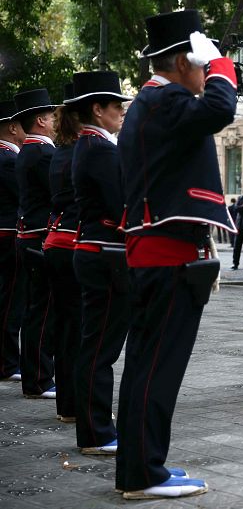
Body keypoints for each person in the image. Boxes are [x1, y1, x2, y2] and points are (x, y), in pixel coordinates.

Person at [116, 9, 237, 499]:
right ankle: (143, 473)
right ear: (181, 61)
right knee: (155, 369)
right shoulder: (163, 97)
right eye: (199, 60)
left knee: (151, 367)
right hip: (164, 258)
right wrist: (222, 65)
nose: (203, 71)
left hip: (162, 254)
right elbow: (218, 110)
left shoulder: (155, 102)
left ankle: (145, 467)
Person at [68, 71, 133, 455]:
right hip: (105, 255)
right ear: (97, 109)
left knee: (95, 346)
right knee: (100, 350)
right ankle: (96, 432)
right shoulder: (101, 150)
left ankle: (94, 428)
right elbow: (121, 205)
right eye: (116, 107)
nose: (122, 113)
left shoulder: (92, 146)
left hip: (97, 252)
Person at [13, 87, 57, 399]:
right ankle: (39, 379)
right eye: (52, 116)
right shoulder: (43, 154)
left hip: (28, 234)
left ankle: (35, 376)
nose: (56, 120)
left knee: (34, 310)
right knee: (42, 312)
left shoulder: (29, 151)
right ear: (40, 120)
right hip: (40, 237)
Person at [44, 83, 82, 423]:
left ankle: (66, 405)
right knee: (81, 328)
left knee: (65, 326)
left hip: (56, 240)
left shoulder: (58, 152)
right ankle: (75, 404)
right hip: (74, 242)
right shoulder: (85, 151)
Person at [0, 101, 24, 382]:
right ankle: (7, 361)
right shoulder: (9, 160)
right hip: (8, 235)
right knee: (12, 300)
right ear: (12, 127)